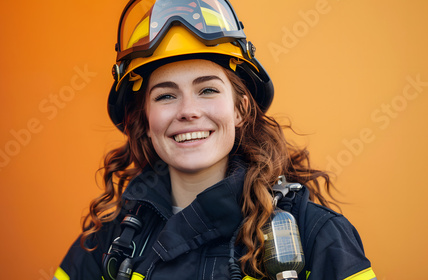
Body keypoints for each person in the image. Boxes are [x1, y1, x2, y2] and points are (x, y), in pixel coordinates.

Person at [53, 0, 376, 279]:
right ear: (145, 121)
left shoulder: (316, 236)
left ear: (240, 109)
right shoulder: (107, 243)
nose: (188, 111)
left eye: (207, 90)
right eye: (166, 96)